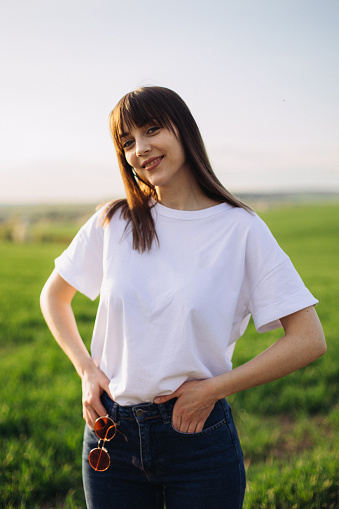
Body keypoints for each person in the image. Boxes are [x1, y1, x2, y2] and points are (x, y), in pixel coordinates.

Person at [40, 86, 326, 509]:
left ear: (184, 130)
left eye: (152, 129)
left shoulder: (240, 229)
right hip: (109, 437)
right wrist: (85, 370)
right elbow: (54, 297)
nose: (140, 149)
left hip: (197, 437)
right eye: (127, 141)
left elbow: (308, 339)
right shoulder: (114, 221)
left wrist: (213, 389)